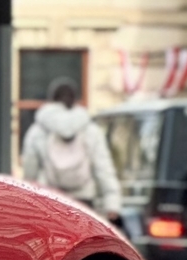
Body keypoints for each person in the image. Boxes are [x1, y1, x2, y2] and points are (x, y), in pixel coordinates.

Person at [20, 79, 123, 218]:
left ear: (51, 100)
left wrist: (28, 202)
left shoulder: (37, 131)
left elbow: (30, 170)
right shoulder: (91, 130)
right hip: (84, 200)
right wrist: (112, 203)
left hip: (50, 199)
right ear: (75, 100)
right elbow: (103, 167)